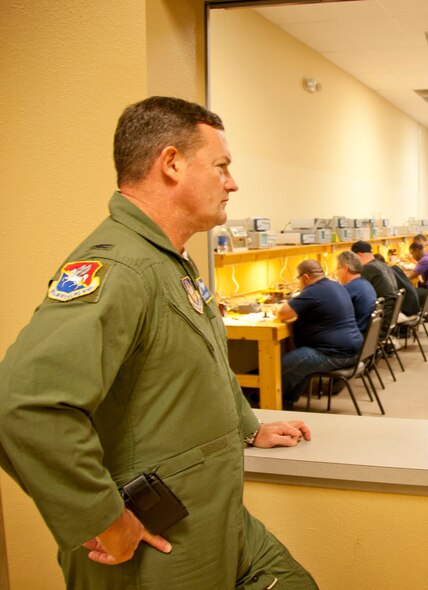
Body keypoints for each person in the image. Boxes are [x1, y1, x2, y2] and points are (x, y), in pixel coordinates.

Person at [0, 97, 317, 588]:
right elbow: (23, 406)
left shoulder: (171, 263)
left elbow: (199, 362)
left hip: (216, 517)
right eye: (221, 167)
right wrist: (103, 518)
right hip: (160, 540)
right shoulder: (121, 269)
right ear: (171, 164)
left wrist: (248, 427)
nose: (232, 183)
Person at [277, 259, 362, 407]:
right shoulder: (336, 286)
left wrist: (276, 308)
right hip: (353, 350)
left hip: (334, 354)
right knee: (299, 361)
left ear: (305, 278)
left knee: (281, 366)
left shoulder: (313, 291)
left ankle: (276, 404)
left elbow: (283, 313)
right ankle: (288, 401)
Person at [352, 240, 399, 332]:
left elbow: (357, 291)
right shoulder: (382, 264)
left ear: (359, 255)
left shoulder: (367, 269)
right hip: (389, 315)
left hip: (381, 320)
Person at [336, 250, 377, 333]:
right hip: (364, 333)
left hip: (354, 334)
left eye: (337, 268)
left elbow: (334, 313)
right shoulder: (366, 283)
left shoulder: (350, 288)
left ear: (345, 268)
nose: (336, 273)